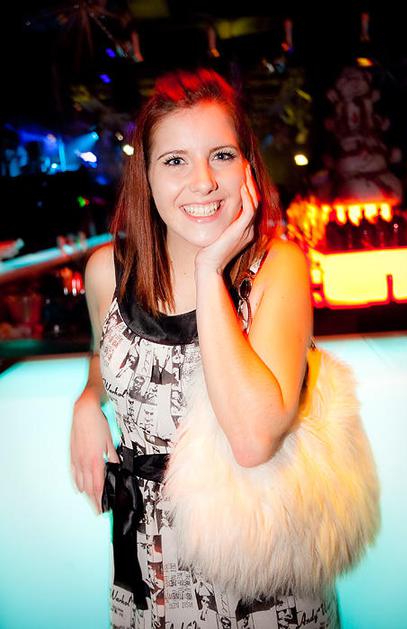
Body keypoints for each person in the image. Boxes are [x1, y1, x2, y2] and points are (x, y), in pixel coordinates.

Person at [70, 67, 340, 628]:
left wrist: (210, 268)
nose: (204, 182)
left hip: (258, 575)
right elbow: (105, 356)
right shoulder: (108, 273)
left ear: (247, 166)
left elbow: (253, 438)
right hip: (150, 564)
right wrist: (88, 400)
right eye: (175, 160)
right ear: (146, 175)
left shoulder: (277, 268)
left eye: (221, 155)